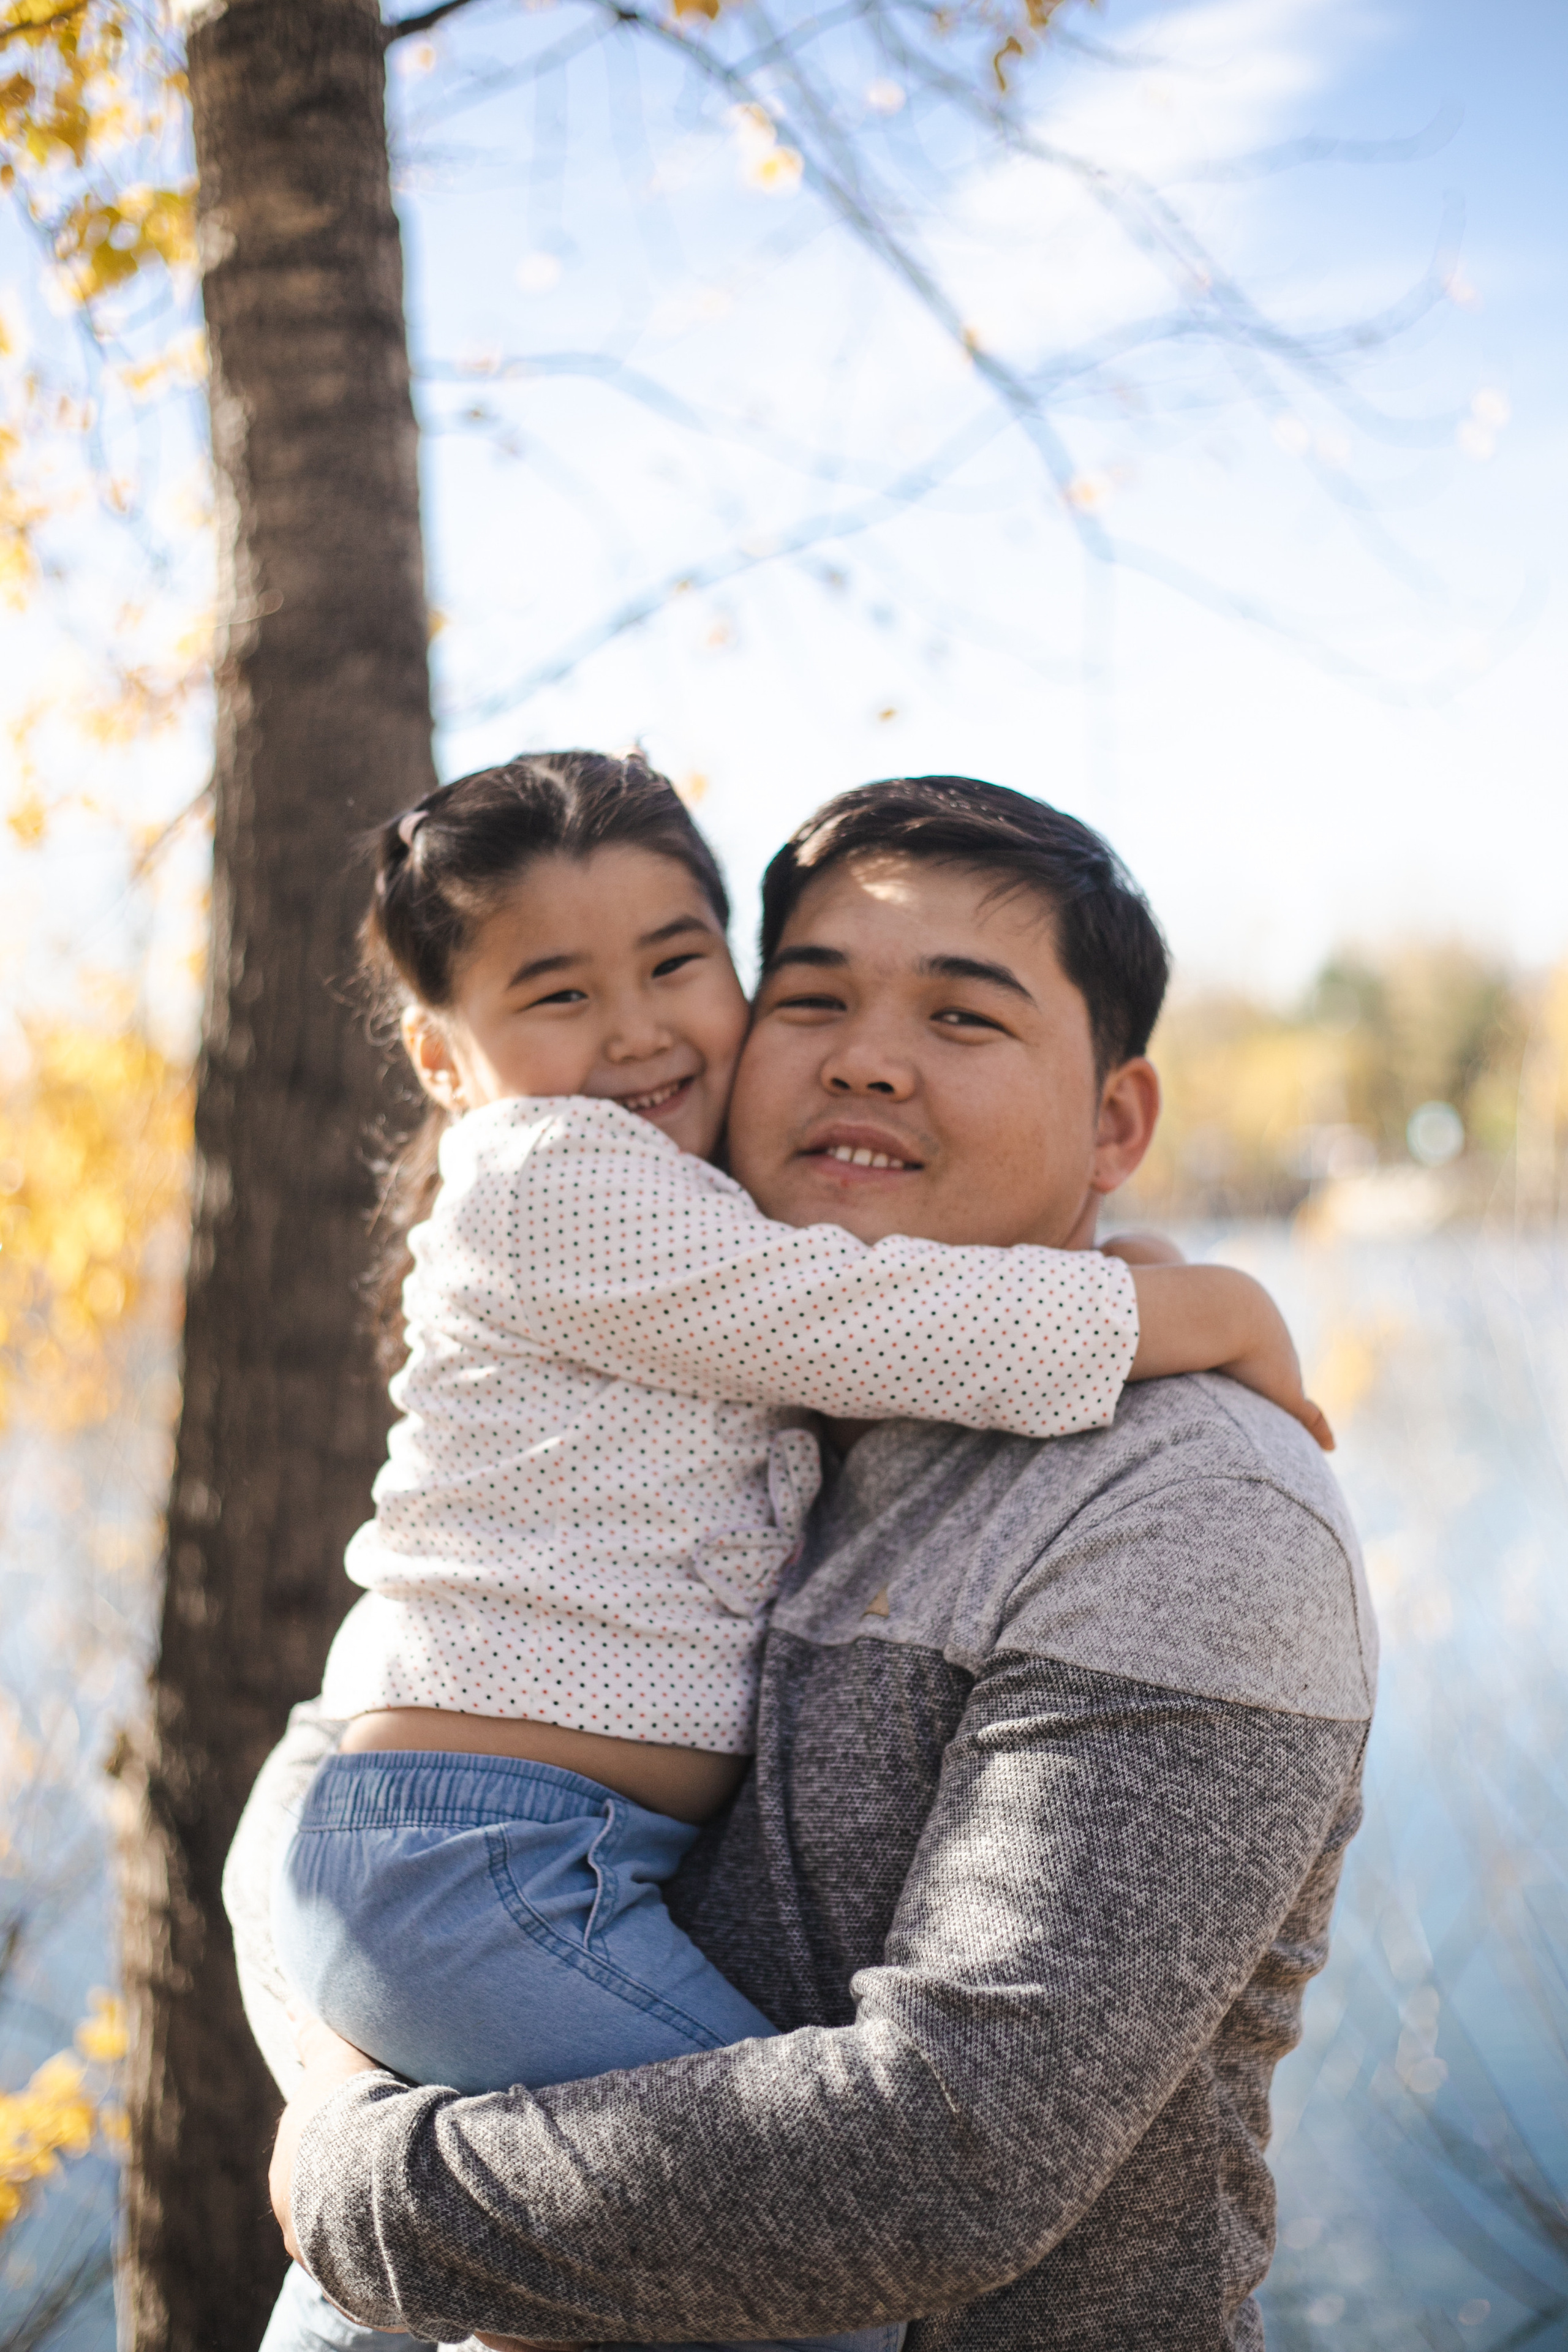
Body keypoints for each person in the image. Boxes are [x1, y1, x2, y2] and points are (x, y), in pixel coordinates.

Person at [232, 772, 1374, 2351]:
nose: (863, 1059)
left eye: (962, 1018)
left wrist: (366, 2181)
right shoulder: (720, 1385)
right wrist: (347, 2094)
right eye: (814, 998)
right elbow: (312, 1789)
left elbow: (947, 2161)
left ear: (1116, 1122)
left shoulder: (1194, 1506)